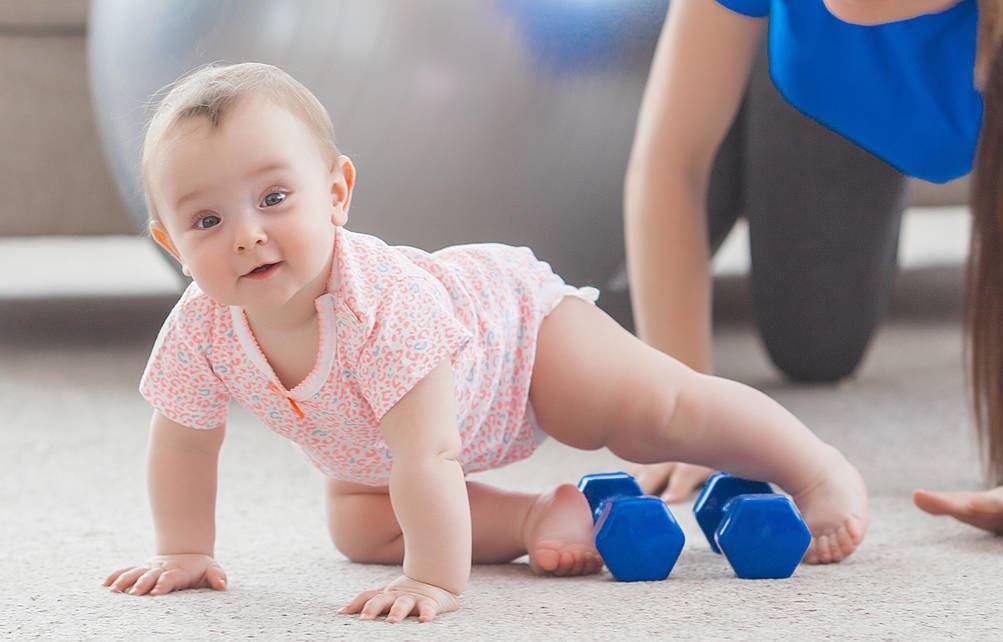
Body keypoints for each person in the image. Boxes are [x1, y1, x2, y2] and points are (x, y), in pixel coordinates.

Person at [101, 62, 868, 623]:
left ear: (335, 194)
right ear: (172, 243)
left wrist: (433, 581)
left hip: (515, 346)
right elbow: (183, 447)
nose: (247, 236)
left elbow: (430, 455)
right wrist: (185, 551)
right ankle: (538, 519)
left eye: (274, 198)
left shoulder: (379, 308)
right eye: (207, 221)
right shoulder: (201, 324)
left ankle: (815, 467)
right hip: (375, 453)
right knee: (362, 527)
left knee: (654, 412)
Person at [625, 0, 1003, 520]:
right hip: (797, 68)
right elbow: (672, 160)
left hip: (867, 105)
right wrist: (688, 413)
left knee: (816, 346)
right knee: (587, 310)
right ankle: (736, 56)